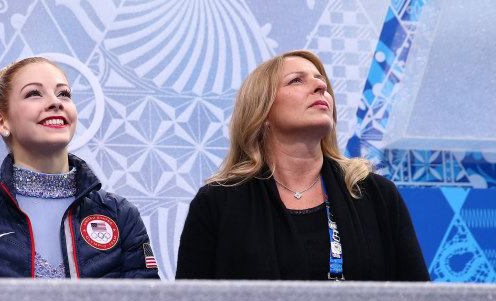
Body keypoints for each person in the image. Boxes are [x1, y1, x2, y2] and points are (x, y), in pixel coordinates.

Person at [175, 50, 429, 281]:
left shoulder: (376, 194)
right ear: (262, 112)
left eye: (322, 81)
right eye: (297, 80)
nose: (320, 86)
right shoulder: (218, 202)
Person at [0, 57, 159, 278]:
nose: (56, 102)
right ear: (2, 122)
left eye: (64, 94)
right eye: (34, 93)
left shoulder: (120, 214)